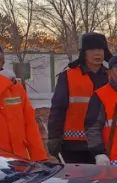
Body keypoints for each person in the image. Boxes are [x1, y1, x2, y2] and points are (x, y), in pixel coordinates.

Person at [47, 32, 110, 163]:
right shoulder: (68, 76)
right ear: (84, 53)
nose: (97, 53)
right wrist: (54, 137)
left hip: (105, 143)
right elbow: (58, 108)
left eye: (100, 49)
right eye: (92, 49)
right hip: (74, 145)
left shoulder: (112, 77)